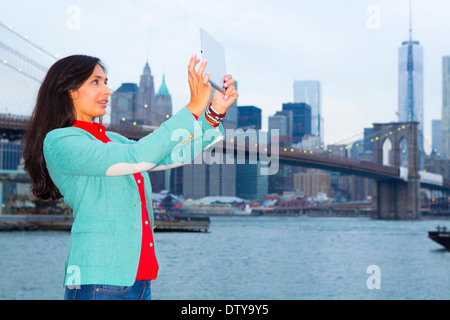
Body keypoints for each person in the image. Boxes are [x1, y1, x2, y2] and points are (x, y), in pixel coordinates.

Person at [22, 54, 238, 300]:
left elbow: (172, 155)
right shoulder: (60, 141)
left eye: (106, 81)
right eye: (96, 82)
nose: (107, 90)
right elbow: (140, 156)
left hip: (140, 281)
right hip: (98, 282)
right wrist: (193, 107)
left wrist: (213, 113)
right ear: (70, 90)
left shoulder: (113, 140)